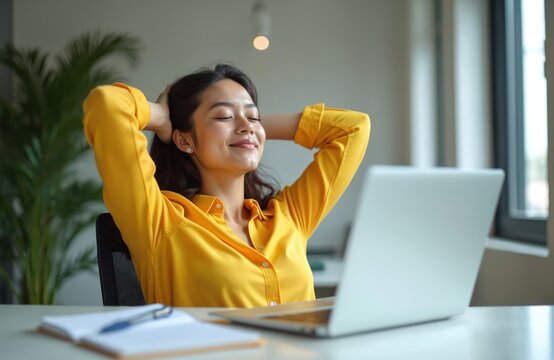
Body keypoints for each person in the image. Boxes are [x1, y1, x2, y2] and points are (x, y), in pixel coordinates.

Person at [83, 64, 370, 307]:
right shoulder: (160, 221)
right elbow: (106, 105)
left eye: (253, 115)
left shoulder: (288, 217)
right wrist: (162, 118)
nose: (247, 125)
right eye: (222, 116)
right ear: (185, 140)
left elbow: (353, 129)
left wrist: (251, 128)